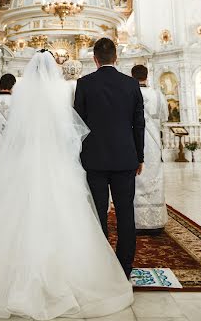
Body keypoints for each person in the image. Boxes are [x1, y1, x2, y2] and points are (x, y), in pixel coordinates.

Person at [0, 51, 133, 319]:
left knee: (18, 213)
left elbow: (17, 133)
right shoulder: (61, 94)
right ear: (54, 72)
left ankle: (8, 278)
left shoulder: (22, 95)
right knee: (65, 214)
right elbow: (70, 131)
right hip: (56, 163)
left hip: (26, 163)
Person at [74, 38, 145, 279]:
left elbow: (78, 125)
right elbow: (139, 124)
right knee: (125, 213)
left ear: (95, 59)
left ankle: (101, 264)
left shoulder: (84, 84)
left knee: (98, 212)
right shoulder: (131, 85)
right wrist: (140, 156)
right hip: (126, 158)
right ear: (116, 58)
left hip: (93, 159)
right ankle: (124, 267)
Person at [131, 65, 168, 233]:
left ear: (132, 76)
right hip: (153, 143)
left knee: (137, 178)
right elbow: (164, 116)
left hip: (134, 141)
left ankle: (138, 222)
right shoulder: (158, 95)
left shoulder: (130, 94)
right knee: (154, 178)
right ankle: (155, 223)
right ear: (147, 76)